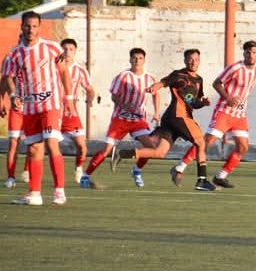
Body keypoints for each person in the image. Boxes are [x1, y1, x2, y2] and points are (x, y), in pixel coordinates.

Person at [170, 40, 256, 189]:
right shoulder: (235, 68)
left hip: (239, 115)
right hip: (224, 111)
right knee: (208, 141)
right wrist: (228, 98)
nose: (251, 55)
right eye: (248, 52)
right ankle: (179, 167)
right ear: (244, 53)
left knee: (243, 147)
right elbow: (217, 83)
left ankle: (220, 176)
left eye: (254, 52)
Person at [115, 48, 215, 191]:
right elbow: (164, 82)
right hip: (178, 116)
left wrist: (203, 103)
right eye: (190, 59)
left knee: (160, 152)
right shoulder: (178, 75)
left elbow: (193, 102)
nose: (193, 62)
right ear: (185, 60)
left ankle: (122, 153)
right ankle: (202, 180)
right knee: (200, 142)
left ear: (199, 61)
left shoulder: (199, 80)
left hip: (173, 119)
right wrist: (154, 87)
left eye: (196, 60)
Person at [3, 11, 75, 206]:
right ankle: (35, 194)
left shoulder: (52, 48)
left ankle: (59, 191)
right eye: (27, 26)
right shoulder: (15, 54)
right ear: (22, 27)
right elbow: (8, 77)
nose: (31, 29)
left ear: (39, 27)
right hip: (30, 107)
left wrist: (69, 98)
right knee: (34, 148)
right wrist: (13, 95)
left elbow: (64, 73)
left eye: (34, 26)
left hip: (51, 104)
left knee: (51, 142)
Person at [80, 48, 159, 189]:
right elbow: (114, 96)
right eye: (134, 58)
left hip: (138, 120)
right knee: (107, 149)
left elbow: (156, 94)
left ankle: (137, 170)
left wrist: (157, 113)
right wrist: (124, 106)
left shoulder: (150, 79)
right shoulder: (123, 76)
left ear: (144, 60)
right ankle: (85, 176)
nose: (137, 61)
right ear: (130, 60)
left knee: (152, 148)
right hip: (120, 119)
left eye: (140, 58)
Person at [59, 38, 96, 182]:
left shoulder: (80, 70)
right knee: (40, 144)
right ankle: (27, 170)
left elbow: (90, 89)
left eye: (71, 49)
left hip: (70, 113)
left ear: (75, 51)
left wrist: (90, 99)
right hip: (53, 111)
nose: (67, 52)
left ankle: (79, 168)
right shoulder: (52, 67)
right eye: (65, 49)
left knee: (82, 147)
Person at [1, 33, 30, 189]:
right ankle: (10, 177)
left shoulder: (37, 56)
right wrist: (1, 100)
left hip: (33, 107)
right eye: (22, 39)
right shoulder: (10, 58)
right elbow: (4, 80)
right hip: (17, 107)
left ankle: (27, 170)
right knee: (13, 142)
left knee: (34, 142)